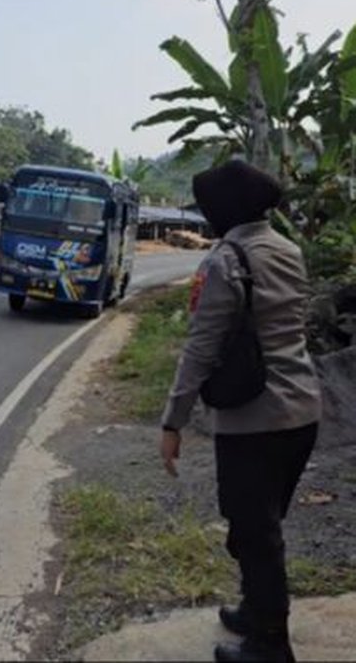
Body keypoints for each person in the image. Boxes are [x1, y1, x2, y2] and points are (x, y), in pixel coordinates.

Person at [160, 159, 321, 663]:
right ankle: (257, 610)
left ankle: (271, 646)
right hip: (302, 413)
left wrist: (173, 421)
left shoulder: (223, 261)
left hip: (253, 419)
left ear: (223, 210)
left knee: (254, 534)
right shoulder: (288, 249)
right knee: (262, 526)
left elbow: (201, 349)